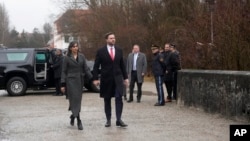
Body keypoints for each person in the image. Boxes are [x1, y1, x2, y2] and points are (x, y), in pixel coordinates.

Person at [92, 32, 129, 128]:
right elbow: (96, 66)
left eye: (114, 38)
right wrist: (95, 78)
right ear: (107, 40)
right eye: (111, 38)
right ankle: (108, 119)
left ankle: (119, 119)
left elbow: (122, 65)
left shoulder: (119, 50)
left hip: (117, 78)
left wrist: (125, 78)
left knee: (119, 98)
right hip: (106, 79)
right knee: (107, 99)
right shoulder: (101, 51)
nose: (113, 39)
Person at [60, 41, 92, 130]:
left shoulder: (82, 56)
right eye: (73, 47)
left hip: (80, 81)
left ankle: (73, 116)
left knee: (77, 100)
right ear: (70, 48)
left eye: (76, 46)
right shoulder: (66, 58)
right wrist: (63, 84)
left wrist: (92, 79)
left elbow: (86, 68)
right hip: (70, 81)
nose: (75, 48)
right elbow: (63, 71)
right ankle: (79, 120)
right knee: (74, 100)